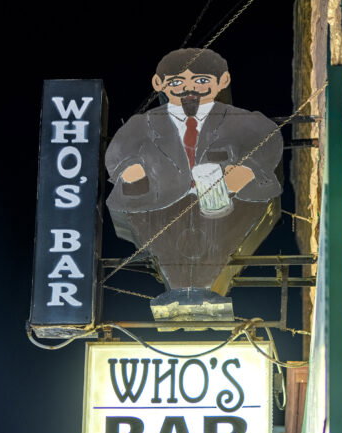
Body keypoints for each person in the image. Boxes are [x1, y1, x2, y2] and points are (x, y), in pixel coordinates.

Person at [105, 48, 283, 320]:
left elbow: (267, 140)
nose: (189, 89)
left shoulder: (243, 121)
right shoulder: (144, 123)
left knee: (216, 239)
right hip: (158, 201)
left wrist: (247, 171)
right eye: (177, 82)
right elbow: (119, 151)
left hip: (224, 198)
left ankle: (203, 288)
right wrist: (130, 171)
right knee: (166, 246)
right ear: (159, 84)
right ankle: (181, 291)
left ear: (222, 81)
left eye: (201, 81)